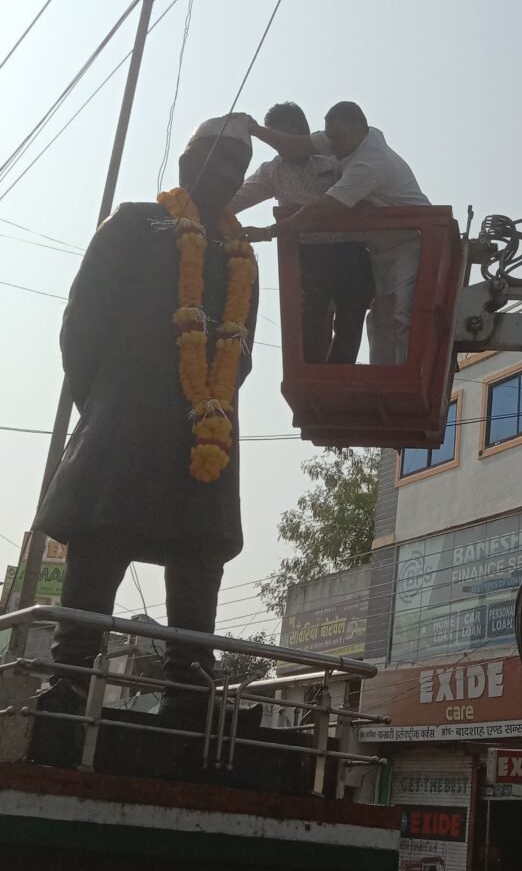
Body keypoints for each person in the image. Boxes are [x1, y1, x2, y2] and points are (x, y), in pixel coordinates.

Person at [32, 114, 259, 720]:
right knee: (102, 536)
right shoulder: (133, 223)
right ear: (188, 164)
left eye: (239, 167)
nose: (229, 175)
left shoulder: (242, 256)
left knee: (200, 551)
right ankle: (71, 677)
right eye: (218, 160)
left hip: (205, 425)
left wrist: (208, 401)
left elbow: (244, 352)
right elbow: (81, 326)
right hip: (126, 416)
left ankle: (191, 687)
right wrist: (106, 402)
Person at [242, 101, 430, 365]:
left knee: (402, 315)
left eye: (338, 138)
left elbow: (322, 210)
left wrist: (268, 231)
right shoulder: (342, 141)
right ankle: (379, 379)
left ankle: (403, 376)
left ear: (358, 129)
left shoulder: (367, 165)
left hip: (408, 244)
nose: (333, 145)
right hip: (372, 249)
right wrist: (253, 129)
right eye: (329, 137)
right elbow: (294, 145)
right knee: (380, 319)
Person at [230, 101, 374, 364]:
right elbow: (237, 199)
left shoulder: (335, 158)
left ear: (303, 131)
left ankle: (338, 375)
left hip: (349, 251)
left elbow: (362, 195)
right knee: (310, 324)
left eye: (284, 137)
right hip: (308, 255)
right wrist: (200, 209)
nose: (281, 145)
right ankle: (315, 378)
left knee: (350, 319)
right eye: (275, 139)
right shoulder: (273, 171)